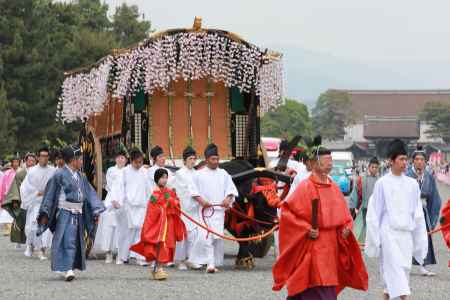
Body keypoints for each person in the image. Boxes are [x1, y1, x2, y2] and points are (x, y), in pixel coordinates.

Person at [272, 140, 368, 299]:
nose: (329, 165)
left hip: (331, 246)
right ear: (314, 163)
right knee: (315, 285)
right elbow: (288, 213)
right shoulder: (306, 186)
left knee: (327, 285)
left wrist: (346, 227)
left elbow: (345, 215)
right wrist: (306, 229)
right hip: (313, 245)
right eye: (325, 162)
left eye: (330, 161)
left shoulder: (334, 187)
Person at [365, 139, 428, 300]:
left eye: (406, 159)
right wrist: (375, 239)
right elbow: (374, 214)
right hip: (389, 236)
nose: (404, 163)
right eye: (401, 159)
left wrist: (420, 240)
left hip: (405, 237)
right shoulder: (382, 184)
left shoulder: (412, 184)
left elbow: (418, 214)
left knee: (393, 282)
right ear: (391, 161)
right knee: (398, 280)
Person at [37, 145, 105, 281]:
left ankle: (69, 266)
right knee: (67, 239)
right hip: (65, 212)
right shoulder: (59, 174)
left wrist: (96, 208)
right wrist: (45, 212)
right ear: (73, 160)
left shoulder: (81, 176)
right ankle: (67, 268)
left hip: (78, 213)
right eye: (79, 159)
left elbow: (89, 193)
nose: (81, 161)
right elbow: (49, 195)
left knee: (76, 240)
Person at [188, 144, 238, 273]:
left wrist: (228, 198)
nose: (216, 162)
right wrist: (202, 201)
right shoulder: (198, 174)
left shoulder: (223, 173)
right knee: (206, 236)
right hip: (204, 211)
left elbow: (231, 189)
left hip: (218, 212)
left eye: (217, 159)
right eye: (213, 159)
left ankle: (199, 260)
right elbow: (193, 192)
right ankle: (210, 264)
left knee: (216, 237)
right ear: (206, 159)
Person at [131, 168, 186, 280]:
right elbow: (153, 209)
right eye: (162, 178)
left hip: (167, 223)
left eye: (166, 177)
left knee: (166, 244)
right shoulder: (155, 194)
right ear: (157, 179)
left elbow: (176, 203)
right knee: (159, 245)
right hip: (159, 225)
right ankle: (158, 268)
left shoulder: (169, 192)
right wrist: (166, 205)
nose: (164, 180)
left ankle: (158, 268)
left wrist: (173, 201)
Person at [405, 145, 442, 276]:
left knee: (423, 238)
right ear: (412, 161)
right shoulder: (406, 175)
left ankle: (423, 265)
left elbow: (435, 198)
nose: (419, 161)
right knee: (406, 238)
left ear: (425, 162)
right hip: (409, 212)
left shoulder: (429, 177)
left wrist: (432, 218)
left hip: (423, 210)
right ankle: (404, 265)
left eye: (422, 159)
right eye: (417, 159)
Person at [114, 148, 151, 266]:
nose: (139, 164)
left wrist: (153, 200)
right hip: (128, 205)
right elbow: (118, 187)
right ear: (131, 161)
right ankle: (122, 256)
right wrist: (116, 200)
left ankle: (140, 257)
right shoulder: (124, 172)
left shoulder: (144, 172)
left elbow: (149, 188)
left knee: (141, 232)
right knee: (126, 232)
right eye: (137, 162)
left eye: (141, 162)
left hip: (141, 205)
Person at [92, 149, 128, 263]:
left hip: (124, 200)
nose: (120, 159)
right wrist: (114, 200)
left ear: (126, 160)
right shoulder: (111, 170)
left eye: (123, 158)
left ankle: (120, 253)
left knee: (121, 227)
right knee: (109, 226)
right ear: (115, 159)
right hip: (111, 199)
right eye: (118, 157)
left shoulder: (128, 170)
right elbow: (112, 186)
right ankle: (108, 252)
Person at [20, 147, 55, 259]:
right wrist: (36, 192)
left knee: (44, 226)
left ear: (48, 157)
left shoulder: (53, 171)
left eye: (46, 156)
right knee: (32, 226)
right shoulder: (32, 171)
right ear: (38, 157)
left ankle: (41, 249)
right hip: (35, 201)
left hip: (48, 202)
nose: (44, 158)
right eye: (42, 156)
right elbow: (25, 187)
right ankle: (30, 245)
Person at [171, 146, 201, 270]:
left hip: (195, 209)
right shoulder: (179, 174)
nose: (192, 161)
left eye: (194, 159)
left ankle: (192, 258)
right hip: (183, 209)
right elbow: (180, 191)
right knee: (182, 235)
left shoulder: (197, 173)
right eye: (190, 159)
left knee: (195, 234)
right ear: (184, 160)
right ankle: (180, 260)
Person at [2, 153, 37, 244]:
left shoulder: (38, 172)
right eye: (29, 160)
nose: (31, 162)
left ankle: (32, 242)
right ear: (25, 161)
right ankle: (19, 240)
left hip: (36, 200)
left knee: (34, 222)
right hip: (23, 200)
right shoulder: (21, 173)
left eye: (33, 160)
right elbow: (15, 186)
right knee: (21, 221)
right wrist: (15, 200)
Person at [349, 156, 380, 243]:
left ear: (379, 168)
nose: (374, 169)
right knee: (363, 227)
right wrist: (352, 207)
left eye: (376, 167)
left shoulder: (380, 180)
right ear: (369, 167)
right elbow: (355, 194)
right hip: (364, 207)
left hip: (376, 209)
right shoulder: (361, 179)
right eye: (372, 167)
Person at [0, 157, 22, 236]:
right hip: (8, 195)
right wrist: (1, 197)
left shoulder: (21, 172)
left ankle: (16, 228)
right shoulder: (7, 173)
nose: (15, 163)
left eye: (17, 162)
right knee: (7, 212)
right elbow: (2, 185)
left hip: (19, 195)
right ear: (11, 163)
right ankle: (9, 229)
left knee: (18, 212)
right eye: (14, 162)